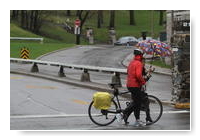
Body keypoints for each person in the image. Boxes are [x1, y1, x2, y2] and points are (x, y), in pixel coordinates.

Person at [123, 48, 147, 126]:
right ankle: (136, 120)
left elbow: (128, 72)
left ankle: (126, 115)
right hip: (135, 85)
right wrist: (143, 82)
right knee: (138, 103)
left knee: (135, 102)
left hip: (129, 85)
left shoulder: (132, 62)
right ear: (140, 55)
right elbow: (138, 75)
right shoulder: (139, 63)